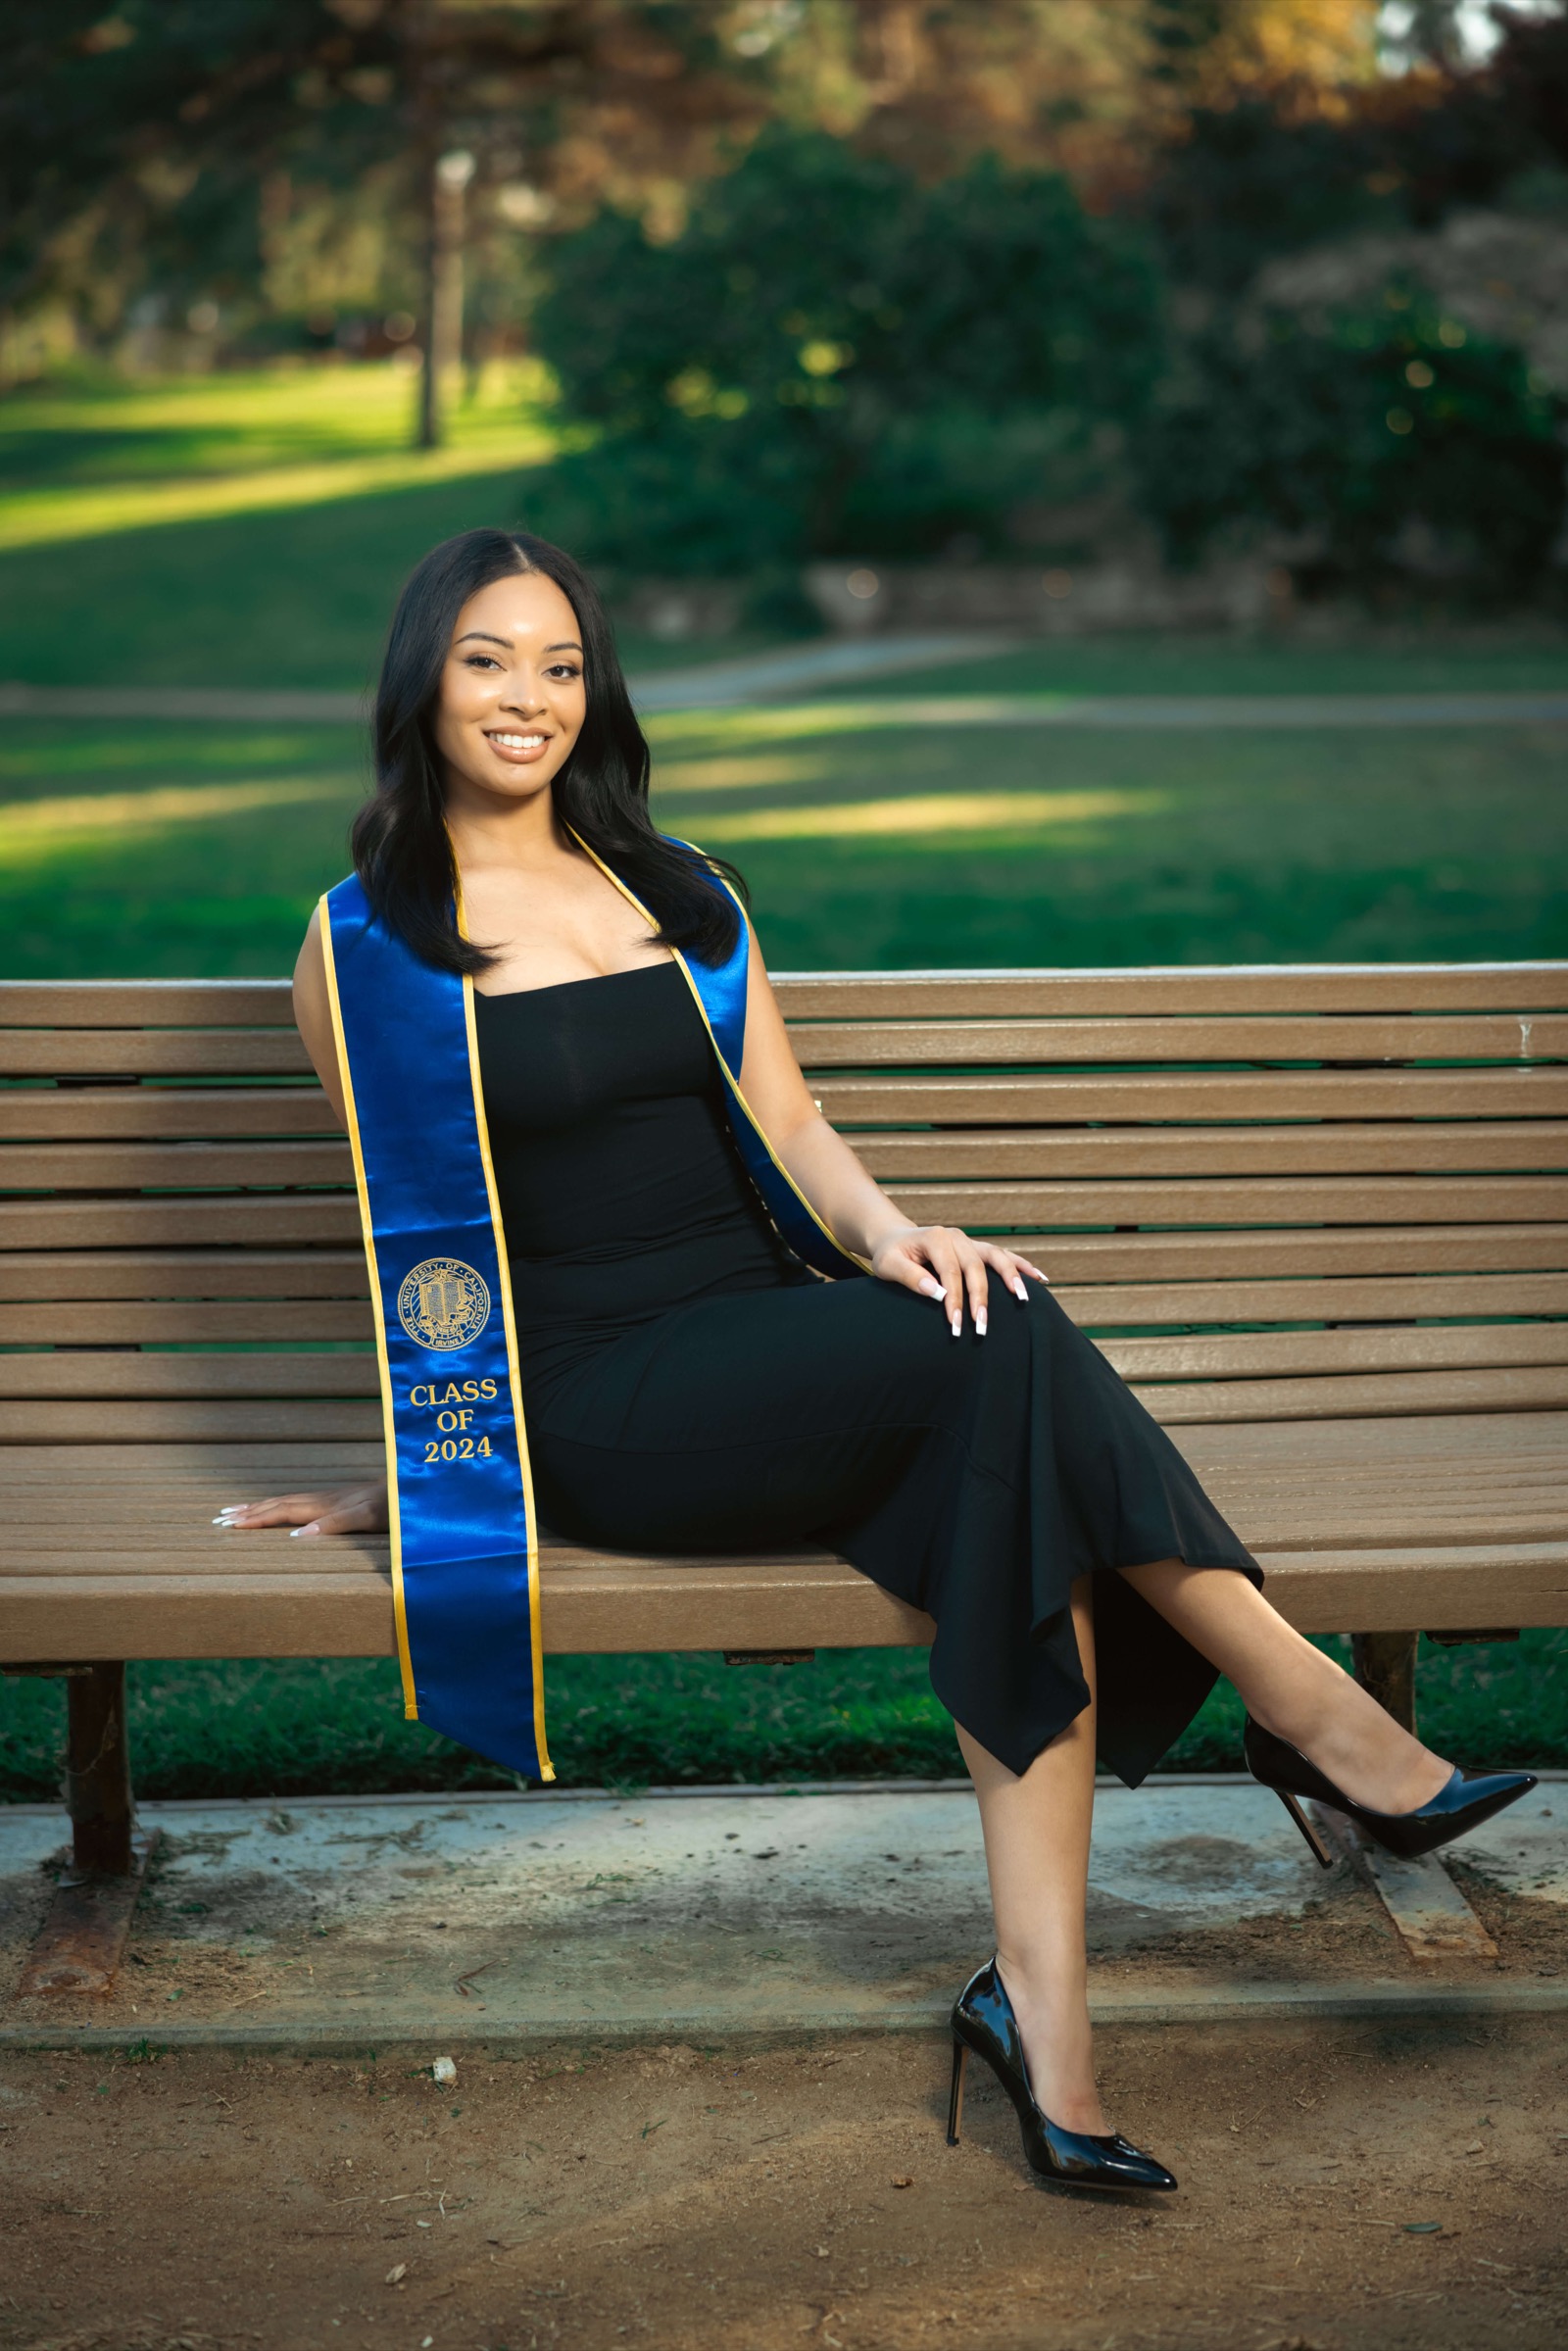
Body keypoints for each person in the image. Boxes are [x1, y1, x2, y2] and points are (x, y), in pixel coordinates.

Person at [220, 529, 1534, 2193]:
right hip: (597, 1399)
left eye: (561, 664)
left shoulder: (678, 892)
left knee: (999, 1411)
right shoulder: (366, 945)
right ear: (422, 680)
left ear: (596, 691)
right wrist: (432, 1464)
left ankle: (1047, 2028)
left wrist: (900, 1235)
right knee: (1010, 1354)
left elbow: (790, 1122)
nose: (528, 696)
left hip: (765, 1345)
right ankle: (1309, 1712)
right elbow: (413, 1236)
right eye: (489, 660)